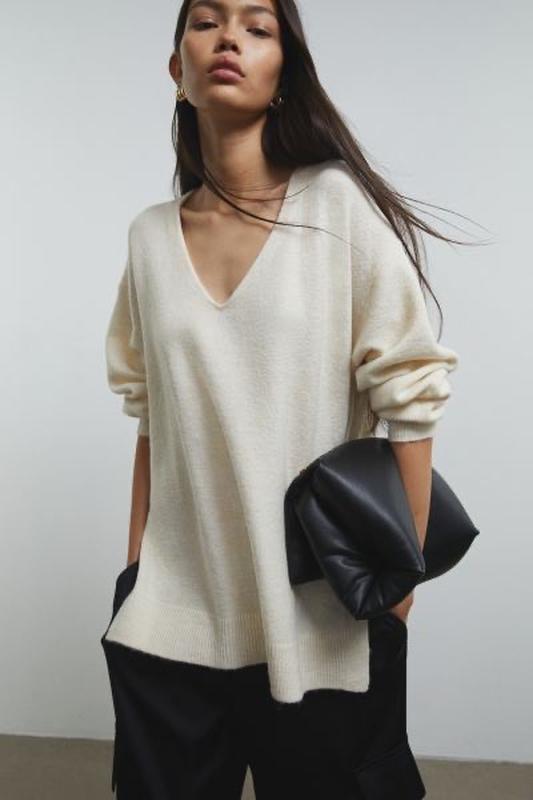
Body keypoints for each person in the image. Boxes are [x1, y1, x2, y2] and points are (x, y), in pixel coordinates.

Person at [100, 1, 466, 797]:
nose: (229, 37)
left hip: (320, 624)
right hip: (171, 620)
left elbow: (410, 399)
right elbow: (152, 416)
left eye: (258, 27)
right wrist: (136, 574)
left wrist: (393, 598)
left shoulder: (334, 209)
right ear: (177, 70)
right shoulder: (149, 238)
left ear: (283, 76)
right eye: (206, 21)